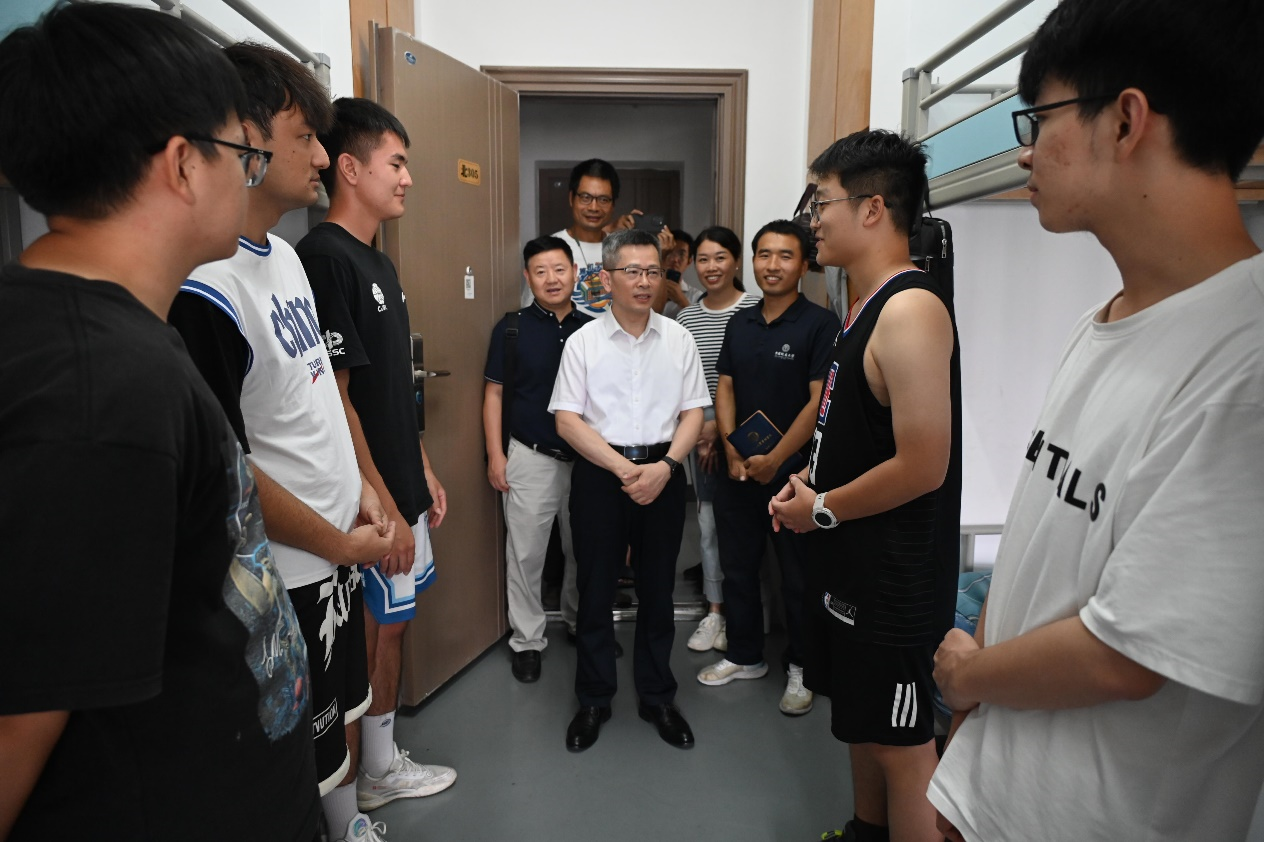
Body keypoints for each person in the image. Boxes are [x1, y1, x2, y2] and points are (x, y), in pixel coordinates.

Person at [928, 1, 1264, 839]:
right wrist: (971, 740)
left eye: (1038, 119)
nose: (1025, 150)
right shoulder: (1103, 321)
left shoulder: (1245, 364)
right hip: (995, 792)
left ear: (1125, 120)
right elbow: (1040, 536)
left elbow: (1127, 655)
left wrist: (968, 678)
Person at [0, 6, 319, 838]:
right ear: (183, 163)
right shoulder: (100, 391)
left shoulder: (101, 333)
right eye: (243, 154)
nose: (250, 178)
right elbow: (20, 722)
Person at [166, 46, 396, 842]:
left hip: (336, 552)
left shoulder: (289, 258)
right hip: (288, 573)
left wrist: (364, 490)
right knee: (295, 743)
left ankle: (349, 824)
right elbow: (228, 471)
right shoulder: (205, 290)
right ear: (246, 138)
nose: (324, 158)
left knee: (340, 721)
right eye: (306, 138)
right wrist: (338, 541)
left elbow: (319, 398)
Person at [769, 129, 959, 842]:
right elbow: (856, 431)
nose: (811, 220)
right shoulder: (861, 306)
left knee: (902, 749)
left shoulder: (910, 309)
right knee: (861, 725)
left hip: (893, 582)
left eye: (820, 203)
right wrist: (809, 478)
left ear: (872, 208)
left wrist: (819, 508)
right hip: (851, 564)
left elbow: (924, 464)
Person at [296, 97, 457, 819]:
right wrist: (383, 500)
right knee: (366, 639)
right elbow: (337, 398)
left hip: (398, 481)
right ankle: (354, 795)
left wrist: (419, 468)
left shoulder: (379, 262)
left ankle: (382, 766)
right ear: (351, 168)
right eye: (396, 163)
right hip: (369, 498)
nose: (407, 178)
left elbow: (391, 385)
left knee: (394, 624)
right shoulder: (325, 259)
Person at [550, 228, 709, 752]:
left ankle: (657, 696)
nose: (644, 282)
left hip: (664, 470)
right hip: (601, 475)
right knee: (595, 589)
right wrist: (624, 469)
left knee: (658, 590)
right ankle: (594, 699)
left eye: (653, 272)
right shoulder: (583, 341)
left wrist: (665, 466)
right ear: (607, 278)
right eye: (632, 272)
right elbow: (568, 421)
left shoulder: (679, 338)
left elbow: (694, 413)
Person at [701, 220, 840, 717]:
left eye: (785, 256)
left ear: (804, 265)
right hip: (739, 472)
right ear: (752, 261)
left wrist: (776, 459)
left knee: (797, 578)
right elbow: (725, 386)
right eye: (764, 254)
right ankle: (745, 655)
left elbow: (818, 400)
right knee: (737, 567)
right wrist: (732, 450)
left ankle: (802, 666)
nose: (772, 265)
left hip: (795, 477)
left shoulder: (821, 325)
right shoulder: (740, 322)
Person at [482, 236, 592, 682]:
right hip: (529, 456)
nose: (552, 279)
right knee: (526, 554)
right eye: (541, 271)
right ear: (528, 277)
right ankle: (527, 641)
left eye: (559, 269)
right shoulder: (512, 328)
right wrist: (495, 454)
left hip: (588, 460)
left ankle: (581, 623)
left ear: (575, 273)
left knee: (584, 549)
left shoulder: (594, 330)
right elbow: (494, 394)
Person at [675, 227, 760, 653]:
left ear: (736, 261)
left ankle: (751, 616)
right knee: (708, 524)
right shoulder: (686, 318)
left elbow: (760, 378)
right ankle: (715, 611)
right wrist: (703, 428)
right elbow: (684, 383)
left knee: (750, 528)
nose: (711, 267)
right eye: (703, 259)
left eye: (720, 257)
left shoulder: (756, 308)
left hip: (752, 430)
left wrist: (721, 428)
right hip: (701, 433)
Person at [654, 228, 700, 318]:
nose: (675, 259)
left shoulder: (696, 296)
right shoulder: (647, 289)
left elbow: (701, 324)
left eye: (681, 254)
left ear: (689, 261)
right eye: (669, 253)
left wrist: (682, 301)